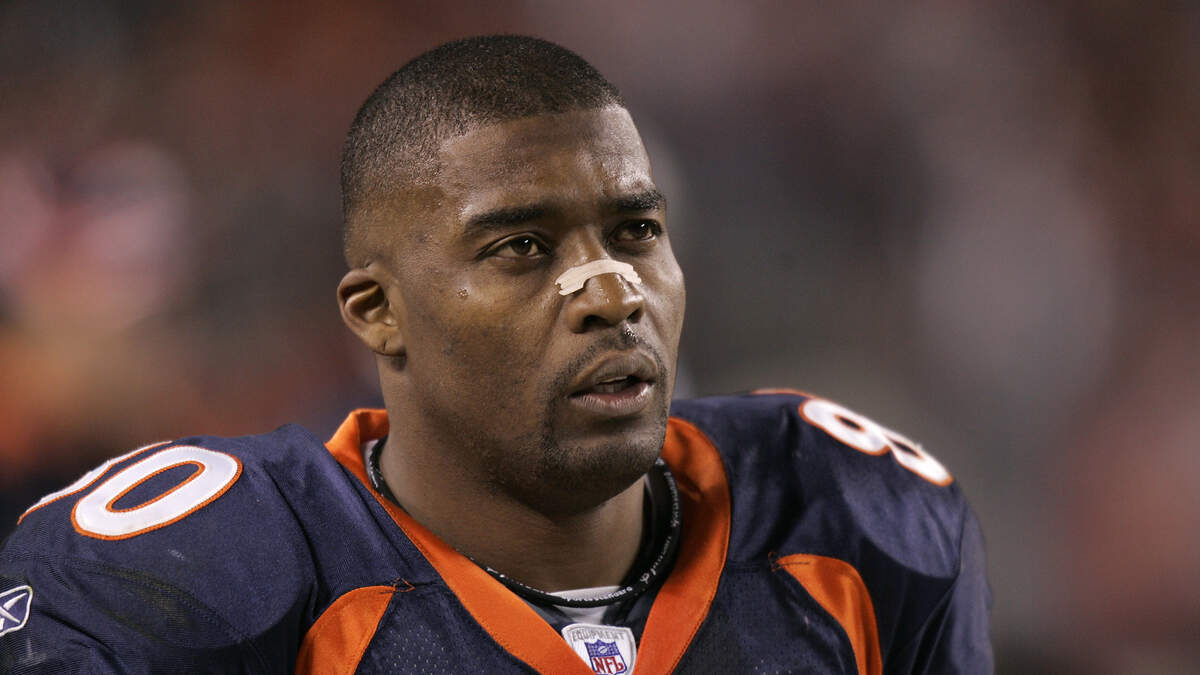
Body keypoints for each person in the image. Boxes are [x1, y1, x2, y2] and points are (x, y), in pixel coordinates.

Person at [0, 36, 992, 673]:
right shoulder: (201, 579)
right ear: (378, 312)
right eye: (522, 246)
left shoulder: (853, 521)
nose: (611, 291)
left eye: (636, 232)